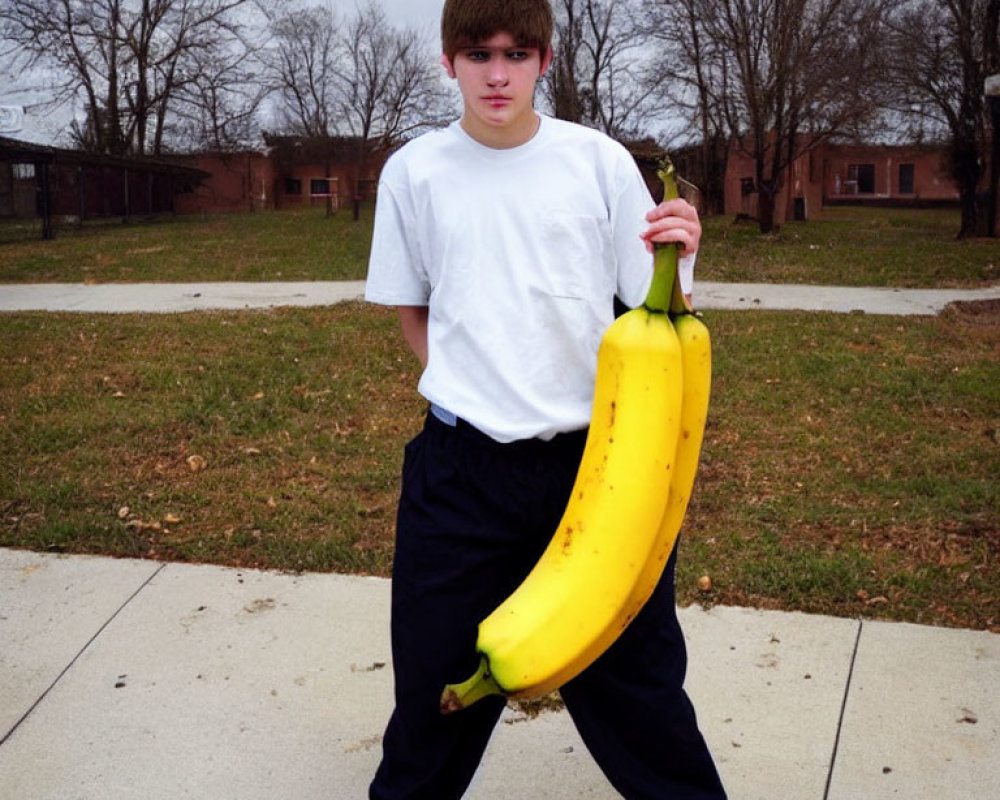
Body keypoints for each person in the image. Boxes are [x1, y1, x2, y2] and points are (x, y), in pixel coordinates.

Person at [363, 1, 727, 798]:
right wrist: (471, 381)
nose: (498, 74)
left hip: (591, 470)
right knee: (434, 703)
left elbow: (659, 313)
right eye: (478, 54)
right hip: (457, 476)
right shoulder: (415, 171)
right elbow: (411, 306)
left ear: (546, 61)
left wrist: (682, 251)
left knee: (642, 700)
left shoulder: (594, 162)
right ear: (447, 61)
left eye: (517, 54)